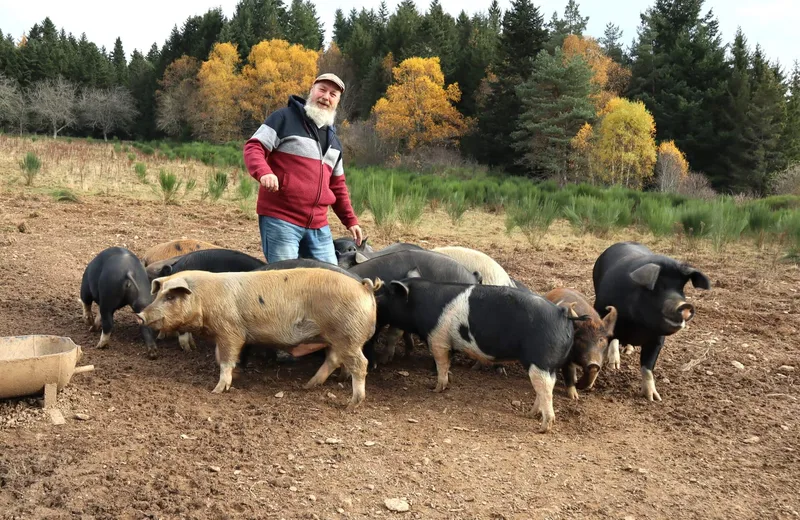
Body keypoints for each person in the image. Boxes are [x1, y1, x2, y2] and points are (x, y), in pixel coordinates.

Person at [243, 73, 363, 265]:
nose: (326, 97)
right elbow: (254, 147)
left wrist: (351, 220)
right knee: (287, 280)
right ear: (312, 91)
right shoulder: (283, 118)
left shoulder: (335, 142)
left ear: (337, 102)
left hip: (318, 225)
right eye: (322, 90)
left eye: (333, 94)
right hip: (281, 219)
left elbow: (338, 186)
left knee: (330, 280)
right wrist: (264, 172)